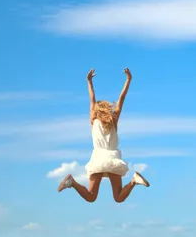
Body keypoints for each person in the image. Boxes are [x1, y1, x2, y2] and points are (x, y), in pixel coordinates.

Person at [57, 68, 150, 203]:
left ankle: (73, 183)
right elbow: (121, 99)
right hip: (112, 158)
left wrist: (89, 82)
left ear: (96, 110)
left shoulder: (93, 120)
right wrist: (128, 80)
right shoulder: (114, 120)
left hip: (98, 158)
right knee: (118, 197)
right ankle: (134, 181)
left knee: (91, 197)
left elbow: (91, 99)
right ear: (108, 109)